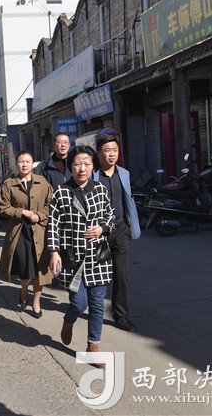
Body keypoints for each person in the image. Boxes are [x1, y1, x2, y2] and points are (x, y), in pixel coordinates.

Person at [48, 145, 115, 368]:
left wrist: (102, 228)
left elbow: (110, 215)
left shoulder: (100, 189)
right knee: (79, 303)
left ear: (93, 166)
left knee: (97, 304)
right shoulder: (61, 192)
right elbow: (53, 224)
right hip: (73, 258)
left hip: (98, 256)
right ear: (71, 166)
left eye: (87, 164)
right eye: (77, 164)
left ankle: (93, 347)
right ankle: (68, 320)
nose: (82, 168)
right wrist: (54, 251)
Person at [93, 133, 141, 333]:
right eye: (107, 150)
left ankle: (120, 316)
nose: (112, 154)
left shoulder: (124, 173)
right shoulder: (92, 175)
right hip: (98, 233)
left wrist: (132, 226)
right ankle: (93, 310)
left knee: (121, 275)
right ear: (99, 153)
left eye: (115, 150)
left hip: (120, 229)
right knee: (98, 276)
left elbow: (128, 200)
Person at [0, 150, 53, 318]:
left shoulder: (43, 182)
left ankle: (36, 301)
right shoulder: (9, 184)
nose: (24, 164)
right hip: (19, 232)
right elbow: (2, 207)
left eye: (27, 161)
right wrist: (22, 212)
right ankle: (23, 291)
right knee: (25, 268)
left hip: (39, 231)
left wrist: (39, 215)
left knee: (39, 270)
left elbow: (50, 204)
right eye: (21, 161)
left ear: (32, 163)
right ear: (17, 164)